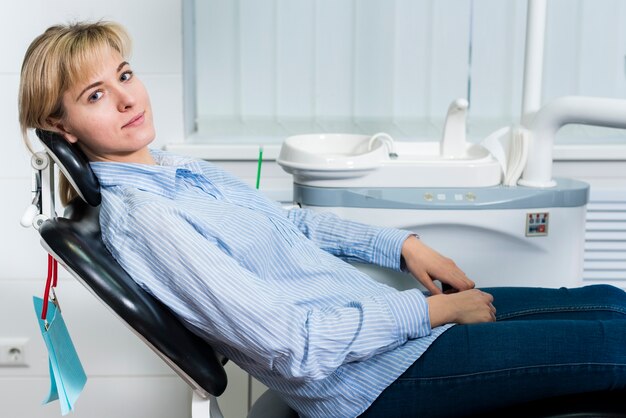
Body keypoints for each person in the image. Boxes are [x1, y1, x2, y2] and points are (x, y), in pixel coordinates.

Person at [18, 21, 626, 418]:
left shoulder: (177, 170)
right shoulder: (147, 218)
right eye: (95, 94)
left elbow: (293, 228)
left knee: (607, 299)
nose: (127, 98)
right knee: (615, 343)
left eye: (124, 75)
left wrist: (404, 246)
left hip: (391, 332)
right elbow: (290, 345)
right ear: (62, 129)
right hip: (375, 380)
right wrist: (431, 309)